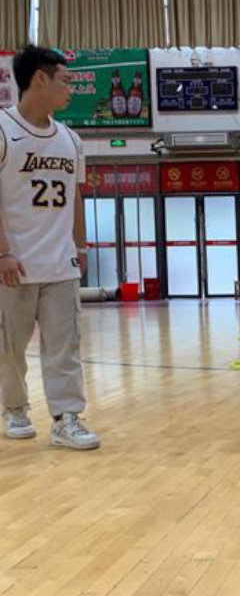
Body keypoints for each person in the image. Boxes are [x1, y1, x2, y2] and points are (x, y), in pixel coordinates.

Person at [0, 46, 99, 449]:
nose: (71, 89)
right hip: (14, 263)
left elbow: (75, 196)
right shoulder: (4, 130)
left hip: (60, 262)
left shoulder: (70, 139)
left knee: (65, 346)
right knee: (9, 347)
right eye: (66, 80)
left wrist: (81, 246)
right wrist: (3, 251)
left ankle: (66, 417)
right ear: (39, 79)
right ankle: (15, 408)